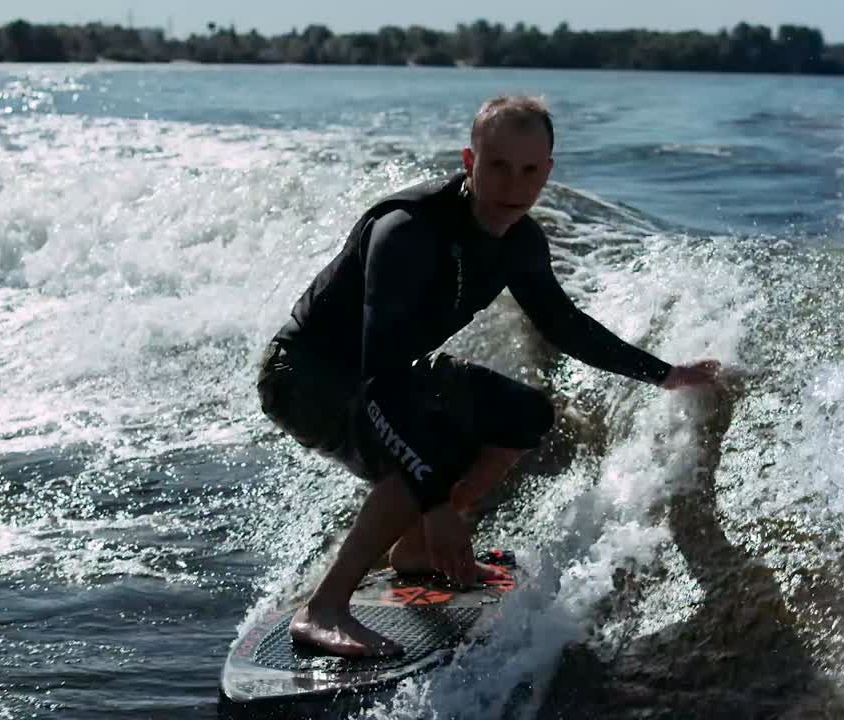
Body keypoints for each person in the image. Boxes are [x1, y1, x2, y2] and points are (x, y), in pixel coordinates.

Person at [257, 95, 720, 658]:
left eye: (529, 170)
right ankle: (324, 608)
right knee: (423, 451)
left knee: (524, 414)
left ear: (547, 172)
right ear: (470, 160)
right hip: (308, 375)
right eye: (497, 165)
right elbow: (379, 377)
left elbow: (564, 326)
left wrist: (666, 374)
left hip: (387, 373)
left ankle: (416, 552)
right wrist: (437, 505)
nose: (513, 184)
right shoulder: (406, 231)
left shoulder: (520, 241)